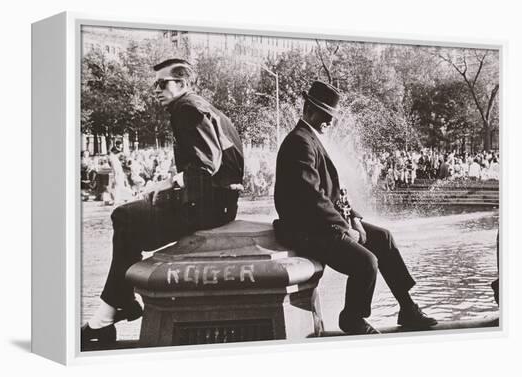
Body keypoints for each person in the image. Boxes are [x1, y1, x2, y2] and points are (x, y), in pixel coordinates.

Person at [81, 59, 245, 345]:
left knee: (124, 217)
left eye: (162, 83)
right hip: (220, 202)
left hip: (207, 206)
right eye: (154, 83)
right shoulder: (203, 106)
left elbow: (206, 164)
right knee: (130, 220)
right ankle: (113, 309)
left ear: (181, 84)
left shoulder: (186, 108)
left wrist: (167, 183)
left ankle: (113, 310)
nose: (155, 89)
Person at [273, 81, 437, 335]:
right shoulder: (300, 142)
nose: (330, 121)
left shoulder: (309, 139)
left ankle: (407, 307)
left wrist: (355, 219)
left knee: (383, 238)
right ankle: (352, 317)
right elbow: (310, 197)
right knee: (366, 262)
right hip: (308, 230)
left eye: (332, 117)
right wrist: (343, 228)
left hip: (321, 224)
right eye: (326, 115)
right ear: (309, 110)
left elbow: (333, 193)